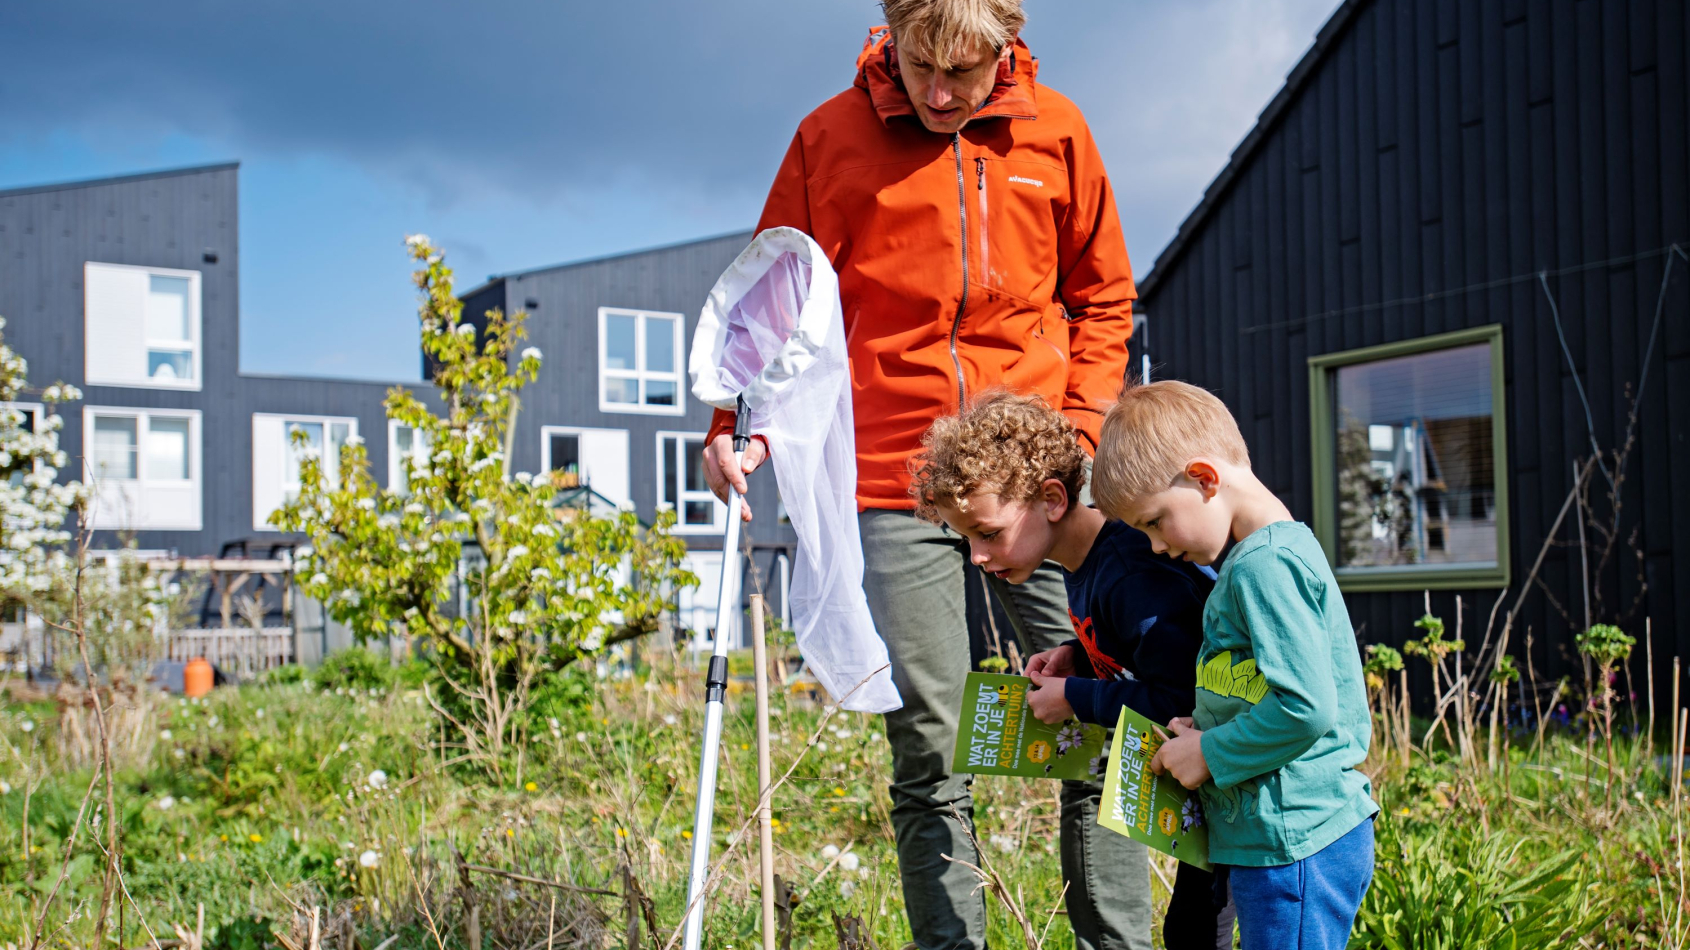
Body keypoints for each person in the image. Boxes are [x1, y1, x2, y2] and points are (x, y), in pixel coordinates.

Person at [701, 1, 1139, 947]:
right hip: (894, 476)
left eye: (966, 70)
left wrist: (1080, 436)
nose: (940, 93)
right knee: (930, 746)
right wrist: (734, 422)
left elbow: (1102, 295)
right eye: (919, 65)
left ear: (1006, 48)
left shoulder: (1056, 131)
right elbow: (776, 304)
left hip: (1041, 476)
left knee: (1110, 710)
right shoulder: (828, 140)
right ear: (889, 37)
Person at [909, 391, 1237, 950]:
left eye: (988, 534)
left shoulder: (1132, 573)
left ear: (1054, 499)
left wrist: (1079, 697)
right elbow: (1142, 645)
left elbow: (1185, 696)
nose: (978, 559)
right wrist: (1079, 653)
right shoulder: (1088, 563)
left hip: (1242, 793)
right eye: (966, 540)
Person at [1090, 380, 1379, 950]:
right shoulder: (1262, 557)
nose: (1154, 547)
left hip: (1295, 841)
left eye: (1153, 521)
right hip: (1281, 838)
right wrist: (1210, 727)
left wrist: (1210, 753)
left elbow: (1306, 708)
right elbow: (1265, 688)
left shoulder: (1264, 567)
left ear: (1203, 479)